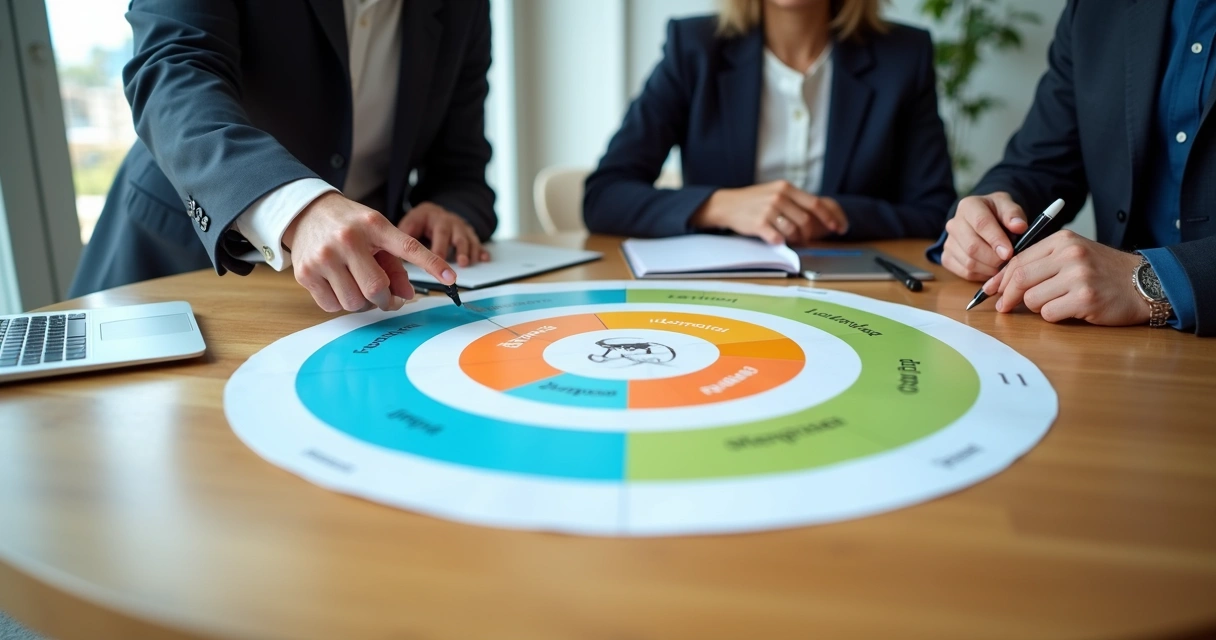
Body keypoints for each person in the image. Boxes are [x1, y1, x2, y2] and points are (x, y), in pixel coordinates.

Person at [69, 0, 496, 314]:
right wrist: (295, 205)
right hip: (176, 266)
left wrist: (449, 209)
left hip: (357, 296)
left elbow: (461, 166)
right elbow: (173, 74)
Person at [933, 0, 1215, 336]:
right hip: (1114, 342)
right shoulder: (1096, 9)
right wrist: (990, 219)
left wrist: (1155, 280)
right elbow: (1040, 163)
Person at [583, 0, 956, 246]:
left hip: (858, 294)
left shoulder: (904, 56)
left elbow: (935, 211)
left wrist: (833, 216)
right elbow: (604, 196)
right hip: (717, 294)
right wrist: (720, 206)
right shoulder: (694, 47)